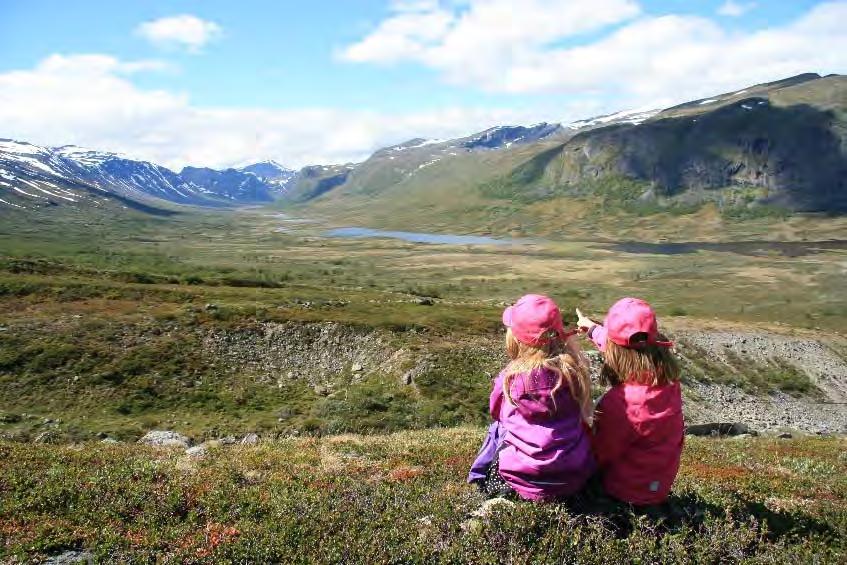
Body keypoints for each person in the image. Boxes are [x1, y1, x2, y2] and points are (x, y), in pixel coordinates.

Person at [468, 294, 595, 501]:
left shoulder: (509, 380)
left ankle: (483, 481)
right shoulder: (576, 373)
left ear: (516, 338)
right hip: (574, 477)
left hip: (523, 478)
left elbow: (495, 412)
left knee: (498, 430)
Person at [576, 297, 684, 506]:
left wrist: (579, 422)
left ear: (614, 353)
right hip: (657, 486)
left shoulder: (621, 404)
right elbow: (628, 345)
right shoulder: (670, 384)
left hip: (623, 493)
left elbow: (598, 455)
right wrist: (592, 329)